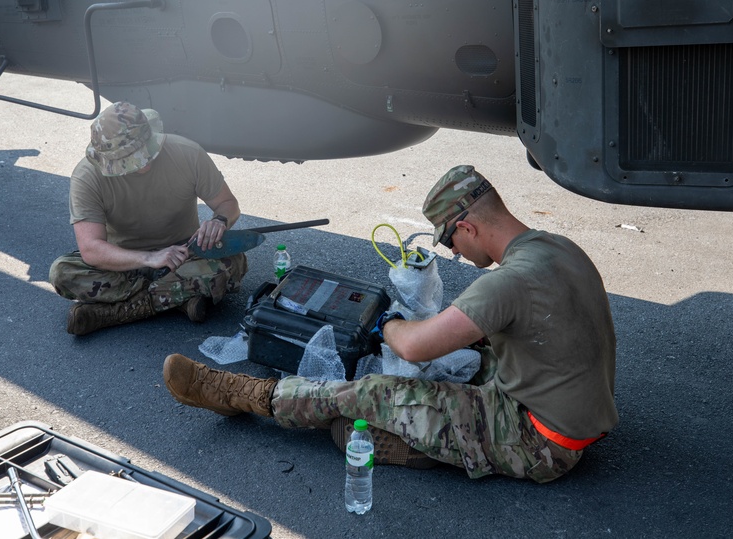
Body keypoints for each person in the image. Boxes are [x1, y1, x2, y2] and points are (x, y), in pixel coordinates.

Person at [161, 165, 617, 482]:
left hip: (541, 441)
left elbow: (414, 347)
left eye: (451, 240)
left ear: (468, 226)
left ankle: (242, 396)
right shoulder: (556, 247)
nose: (455, 252)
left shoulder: (507, 284)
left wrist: (388, 323)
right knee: (462, 358)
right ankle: (401, 434)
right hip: (565, 407)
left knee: (377, 391)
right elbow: (503, 322)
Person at [49, 102, 246, 336]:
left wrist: (220, 221)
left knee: (235, 261)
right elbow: (91, 249)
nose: (141, 163)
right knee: (62, 272)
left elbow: (228, 204)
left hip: (183, 255)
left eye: (143, 153)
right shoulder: (87, 176)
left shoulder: (187, 153)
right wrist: (150, 258)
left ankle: (113, 312)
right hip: (123, 264)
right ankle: (178, 297)